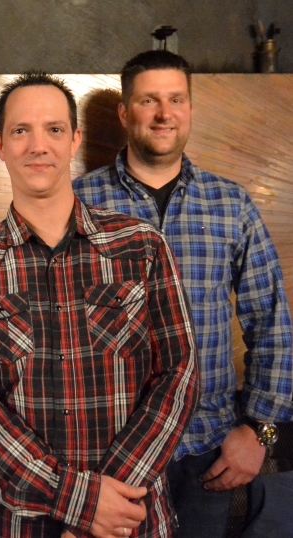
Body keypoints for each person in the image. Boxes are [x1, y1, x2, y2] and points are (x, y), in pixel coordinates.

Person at [0, 72, 199, 538]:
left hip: (129, 518)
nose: (38, 145)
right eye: (22, 131)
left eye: (54, 129)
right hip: (11, 524)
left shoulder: (141, 247)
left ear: (75, 139)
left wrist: (105, 504)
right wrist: (76, 500)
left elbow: (179, 375)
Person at [73, 50, 293, 537]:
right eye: (148, 100)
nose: (163, 113)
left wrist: (261, 434)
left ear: (190, 109)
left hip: (206, 450)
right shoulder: (78, 203)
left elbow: (272, 322)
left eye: (176, 99)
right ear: (125, 113)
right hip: (111, 451)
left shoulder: (230, 203)